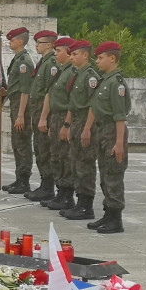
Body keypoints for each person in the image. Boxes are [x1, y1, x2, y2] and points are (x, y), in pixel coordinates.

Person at [84, 41, 130, 234]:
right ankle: (108, 213)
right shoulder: (105, 80)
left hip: (112, 130)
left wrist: (119, 143)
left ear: (113, 59)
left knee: (113, 174)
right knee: (104, 173)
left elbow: (120, 116)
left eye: (101, 57)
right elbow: (95, 107)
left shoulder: (116, 83)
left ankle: (115, 218)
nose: (97, 61)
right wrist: (87, 128)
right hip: (102, 130)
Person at [59, 40, 99, 221]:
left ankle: (86, 206)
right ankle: (79, 202)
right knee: (76, 163)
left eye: (75, 54)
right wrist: (67, 125)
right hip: (76, 121)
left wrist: (87, 128)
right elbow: (72, 104)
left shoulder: (90, 77)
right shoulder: (78, 75)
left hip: (85, 122)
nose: (72, 57)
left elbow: (93, 105)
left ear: (85, 55)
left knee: (85, 165)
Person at [39, 38, 77, 211]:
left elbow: (73, 101)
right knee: (56, 156)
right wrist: (45, 117)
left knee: (65, 157)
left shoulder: (73, 72)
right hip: (56, 117)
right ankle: (60, 191)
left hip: (64, 118)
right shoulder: (62, 71)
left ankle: (67, 195)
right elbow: (50, 94)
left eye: (59, 50)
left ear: (68, 52)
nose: (56, 54)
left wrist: (67, 124)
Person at [26, 30, 59, 201]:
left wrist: (44, 116)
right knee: (39, 148)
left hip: (44, 109)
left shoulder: (51, 63)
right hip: (37, 108)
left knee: (45, 149)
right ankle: (44, 184)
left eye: (39, 42)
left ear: (49, 44)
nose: (36, 45)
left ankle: (48, 186)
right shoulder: (43, 62)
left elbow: (49, 92)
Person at [0, 27, 33, 194]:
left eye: (12, 40)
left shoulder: (24, 62)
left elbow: (26, 89)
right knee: (16, 143)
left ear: (20, 41)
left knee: (22, 143)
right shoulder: (17, 60)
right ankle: (19, 178)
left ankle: (24, 180)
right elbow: (18, 86)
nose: (10, 42)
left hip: (22, 106)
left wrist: (21, 115)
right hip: (15, 102)